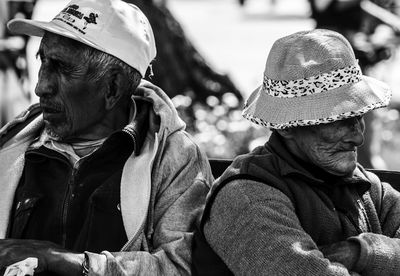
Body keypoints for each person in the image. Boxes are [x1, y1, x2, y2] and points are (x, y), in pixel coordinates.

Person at [0, 0, 213, 275]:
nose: (41, 86)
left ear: (113, 87)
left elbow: (180, 266)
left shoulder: (174, 158)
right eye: (43, 61)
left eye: (62, 68)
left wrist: (68, 262)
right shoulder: (13, 145)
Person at [192, 29, 400, 275]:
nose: (358, 136)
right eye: (338, 119)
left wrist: (363, 253)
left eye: (358, 116)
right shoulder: (246, 198)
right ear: (287, 127)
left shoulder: (365, 187)